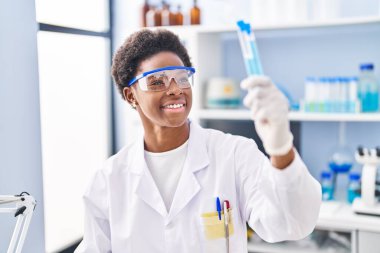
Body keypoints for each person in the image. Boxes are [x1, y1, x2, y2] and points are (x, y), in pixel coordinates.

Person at [75, 29, 321, 253]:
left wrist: (281, 149)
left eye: (182, 78)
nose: (175, 89)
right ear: (131, 96)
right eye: (157, 81)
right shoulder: (108, 180)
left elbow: (291, 224)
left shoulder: (234, 154)